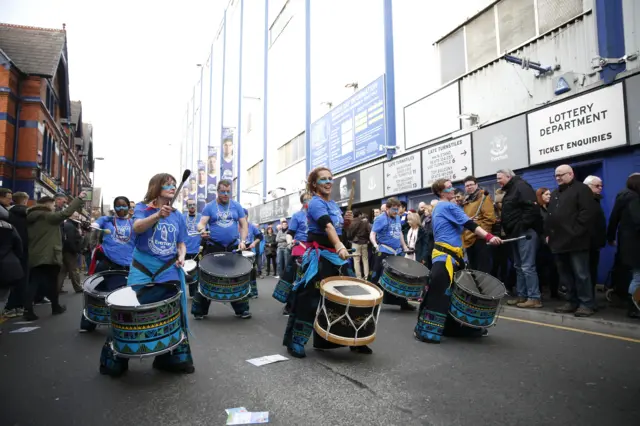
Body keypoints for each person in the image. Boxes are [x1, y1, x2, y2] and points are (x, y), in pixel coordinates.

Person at [99, 173, 194, 376]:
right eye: (167, 184)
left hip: (168, 268)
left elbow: (181, 242)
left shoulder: (177, 215)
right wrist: (158, 214)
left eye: (174, 184)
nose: (172, 187)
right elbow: (137, 227)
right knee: (130, 309)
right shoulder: (143, 208)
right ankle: (117, 359)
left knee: (171, 310)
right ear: (156, 187)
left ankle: (171, 358)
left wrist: (182, 255)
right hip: (142, 266)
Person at [283, 166, 374, 358]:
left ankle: (353, 339)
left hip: (336, 257)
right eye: (323, 179)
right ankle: (296, 341)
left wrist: (347, 224)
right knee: (309, 298)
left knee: (350, 297)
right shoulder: (315, 203)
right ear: (314, 184)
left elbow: (341, 230)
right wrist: (340, 246)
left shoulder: (333, 205)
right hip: (320, 256)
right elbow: (329, 227)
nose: (328, 182)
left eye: (330, 179)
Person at [414, 179, 502, 344]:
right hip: (447, 258)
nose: (453, 189)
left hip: (448, 257)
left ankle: (448, 328)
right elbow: (470, 224)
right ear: (441, 192)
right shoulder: (447, 206)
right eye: (449, 187)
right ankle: (429, 333)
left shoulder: (440, 208)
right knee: (440, 294)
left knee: (446, 294)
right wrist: (490, 236)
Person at [23, 192, 87, 321]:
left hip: (35, 253)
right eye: (52, 205)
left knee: (34, 281)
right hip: (49, 254)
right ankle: (55, 306)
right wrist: (79, 199)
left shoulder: (31, 216)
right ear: (47, 205)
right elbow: (65, 213)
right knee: (52, 282)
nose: (53, 207)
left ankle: (28, 309)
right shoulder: (47, 216)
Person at [193, 179, 251, 319]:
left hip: (232, 247)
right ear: (217, 192)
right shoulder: (209, 207)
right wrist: (202, 230)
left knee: (236, 277)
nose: (225, 194)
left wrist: (242, 241)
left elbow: (244, 225)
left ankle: (242, 309)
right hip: (213, 246)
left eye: (227, 191)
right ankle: (199, 311)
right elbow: (200, 224)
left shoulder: (237, 206)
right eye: (222, 191)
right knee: (207, 277)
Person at [547, 165, 597, 317]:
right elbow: (551, 216)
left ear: (571, 174)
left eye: (561, 175)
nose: (558, 178)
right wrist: (548, 233)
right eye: (556, 175)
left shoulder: (582, 189)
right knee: (565, 275)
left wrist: (576, 231)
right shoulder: (555, 193)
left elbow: (587, 213)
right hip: (558, 241)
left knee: (581, 274)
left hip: (577, 241)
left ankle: (586, 303)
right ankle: (571, 301)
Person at [498, 168, 543, 309]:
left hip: (525, 233)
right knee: (518, 266)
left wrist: (520, 226)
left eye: (500, 178)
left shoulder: (521, 186)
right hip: (515, 234)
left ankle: (534, 298)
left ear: (509, 176)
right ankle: (522, 296)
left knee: (527, 266)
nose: (498, 181)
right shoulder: (511, 190)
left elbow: (532, 209)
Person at [369, 197, 414, 311]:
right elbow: (372, 234)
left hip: (396, 252)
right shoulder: (380, 219)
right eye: (394, 210)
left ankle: (403, 303)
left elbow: (399, 234)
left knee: (399, 277)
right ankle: (370, 302)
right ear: (387, 208)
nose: (396, 212)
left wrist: (404, 247)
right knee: (376, 277)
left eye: (397, 210)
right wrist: (375, 245)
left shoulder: (398, 217)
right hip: (383, 251)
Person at [279, 193, 311, 314]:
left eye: (311, 199)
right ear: (302, 202)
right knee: (298, 278)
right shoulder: (297, 216)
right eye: (306, 200)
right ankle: (290, 305)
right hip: (300, 247)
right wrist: (289, 242)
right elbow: (290, 233)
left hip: (314, 248)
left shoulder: (317, 215)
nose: (309, 202)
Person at [462, 176, 496, 273]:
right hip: (468, 239)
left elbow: (489, 218)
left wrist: (481, 234)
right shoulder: (467, 201)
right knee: (473, 269)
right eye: (467, 186)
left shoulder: (484, 197)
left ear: (476, 185)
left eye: (471, 185)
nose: (469, 187)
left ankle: (485, 288)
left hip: (480, 239)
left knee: (483, 269)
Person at [4, 192, 29, 317]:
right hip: (25, 249)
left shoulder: (8, 214)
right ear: (24, 201)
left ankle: (10, 306)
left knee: (9, 280)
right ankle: (20, 306)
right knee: (23, 278)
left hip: (9, 251)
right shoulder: (28, 215)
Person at [584, 175, 607, 301]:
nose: (600, 189)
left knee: (592, 271)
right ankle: (588, 299)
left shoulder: (596, 200)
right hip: (587, 243)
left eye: (601, 186)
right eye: (597, 186)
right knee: (587, 272)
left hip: (595, 243)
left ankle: (590, 298)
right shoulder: (586, 201)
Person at [183, 198, 203, 297]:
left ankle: (194, 293)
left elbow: (205, 232)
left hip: (197, 250)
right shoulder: (182, 218)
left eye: (193, 205)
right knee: (186, 272)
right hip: (184, 250)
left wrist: (203, 244)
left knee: (196, 272)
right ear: (187, 206)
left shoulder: (201, 217)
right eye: (190, 205)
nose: (192, 206)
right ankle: (186, 293)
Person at [243, 209, 263, 298]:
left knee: (251, 271)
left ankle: (253, 292)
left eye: (244, 215)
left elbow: (260, 237)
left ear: (247, 216)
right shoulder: (235, 225)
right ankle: (240, 292)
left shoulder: (251, 226)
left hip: (248, 250)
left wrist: (254, 243)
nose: (243, 217)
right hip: (238, 249)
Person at [348, 210, 371, 280]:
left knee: (356, 260)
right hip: (364, 243)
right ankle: (366, 277)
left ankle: (359, 277)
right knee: (365, 260)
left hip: (355, 243)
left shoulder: (351, 222)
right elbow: (369, 231)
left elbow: (349, 234)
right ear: (360, 215)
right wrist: (367, 240)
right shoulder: (365, 222)